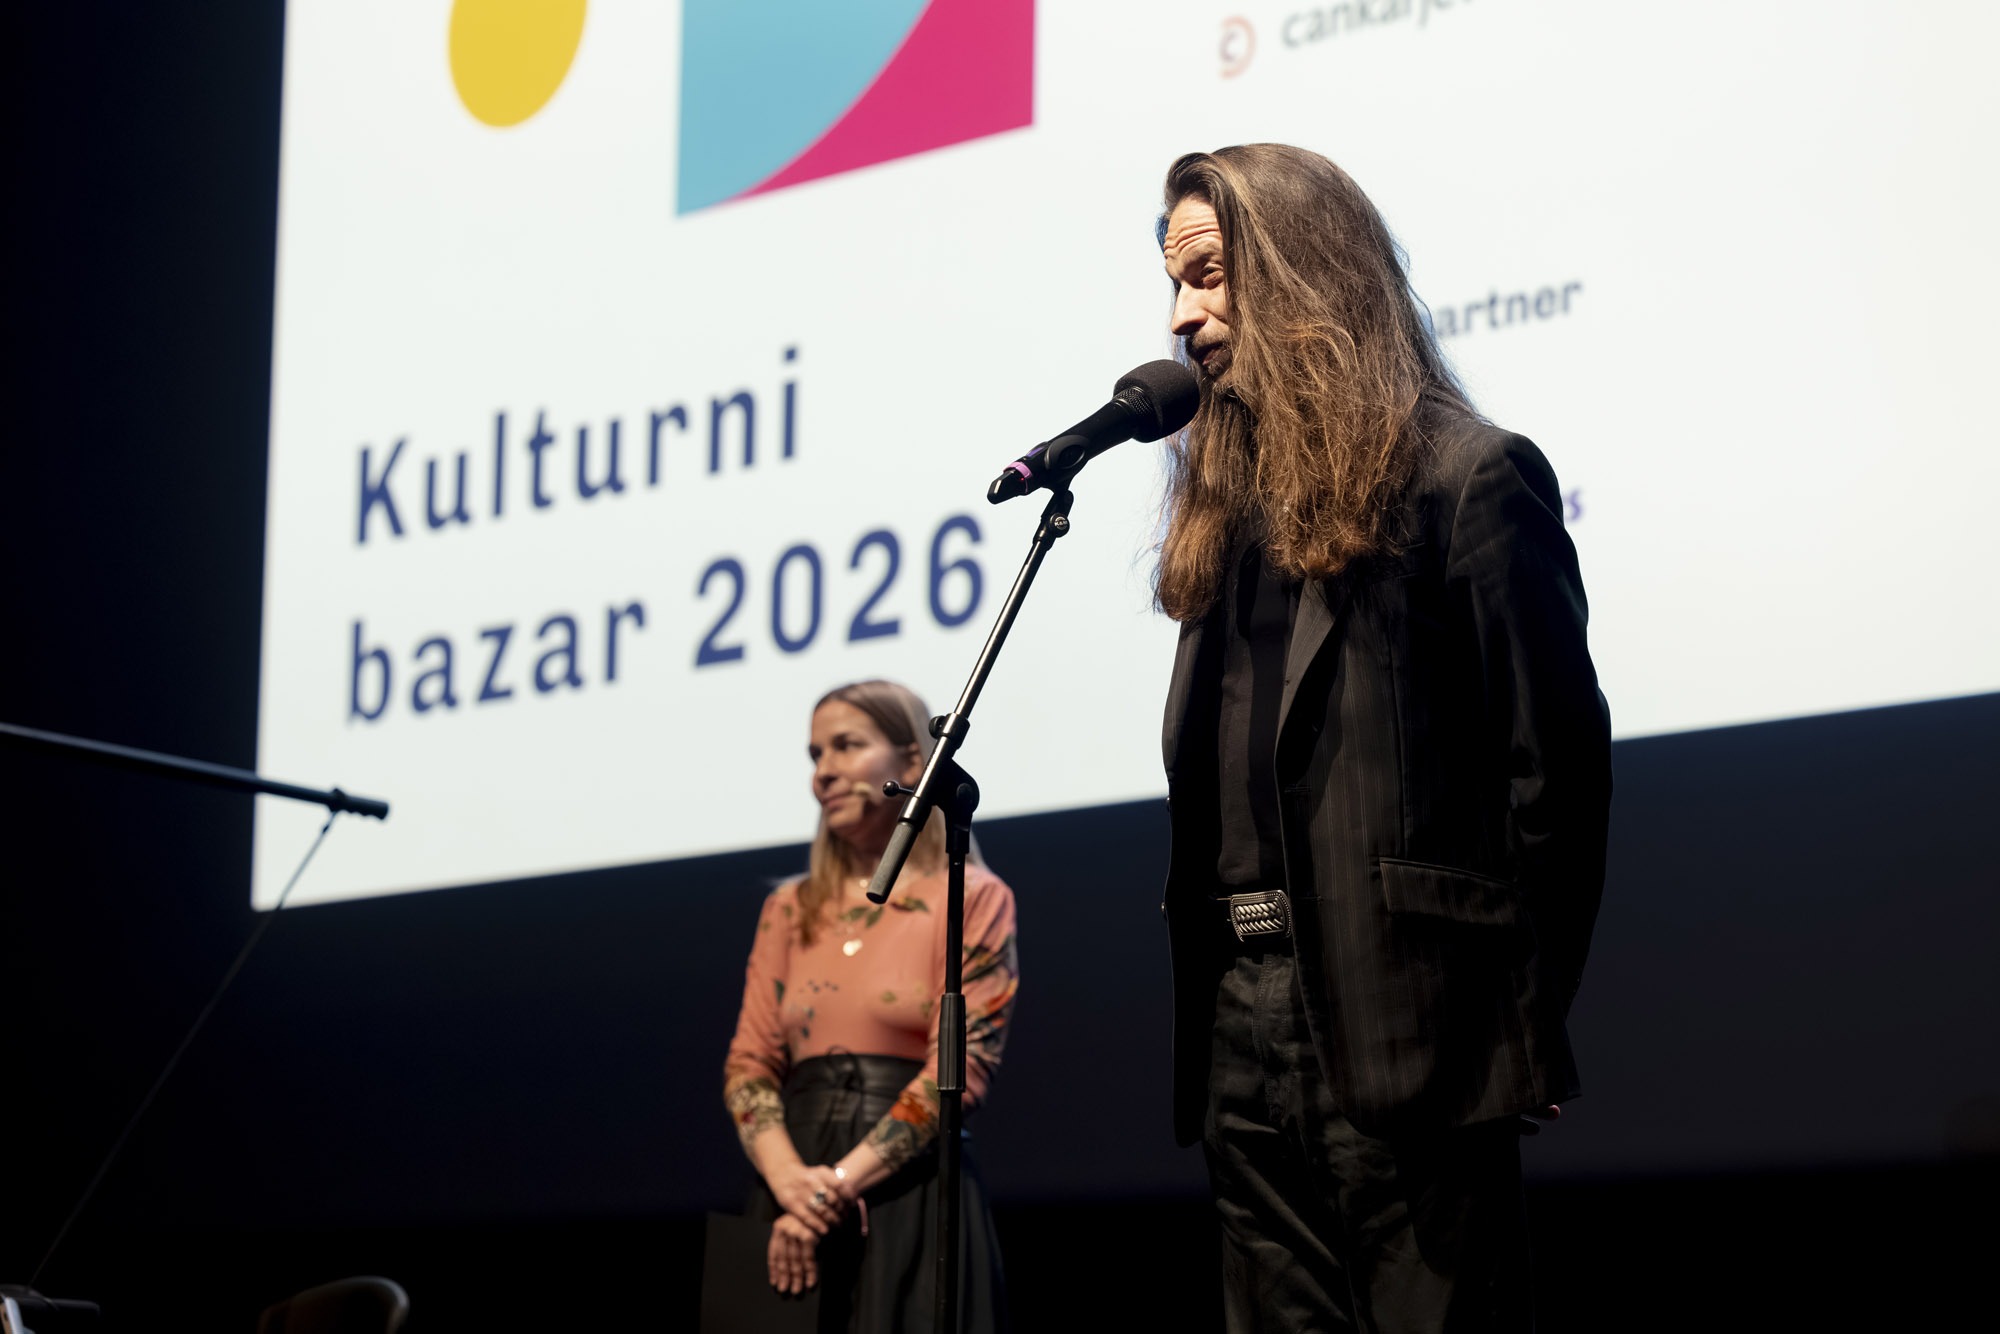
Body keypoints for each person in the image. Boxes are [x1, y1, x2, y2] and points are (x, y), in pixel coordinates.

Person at [1153, 144, 1613, 1331]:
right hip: (1239, 1019)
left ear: (1300, 269)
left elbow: (1555, 776)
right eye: (1175, 286)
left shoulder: (1466, 477)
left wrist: (1520, 1017)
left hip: (1412, 1017)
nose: (1182, 318)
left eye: (1208, 275)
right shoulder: (1223, 521)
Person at [722, 679, 1018, 1333]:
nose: (823, 771)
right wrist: (793, 1184)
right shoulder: (789, 908)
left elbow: (962, 1069)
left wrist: (837, 1185)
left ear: (913, 762)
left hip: (907, 1193)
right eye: (815, 755)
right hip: (788, 1192)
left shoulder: (973, 897)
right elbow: (749, 1064)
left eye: (846, 746)